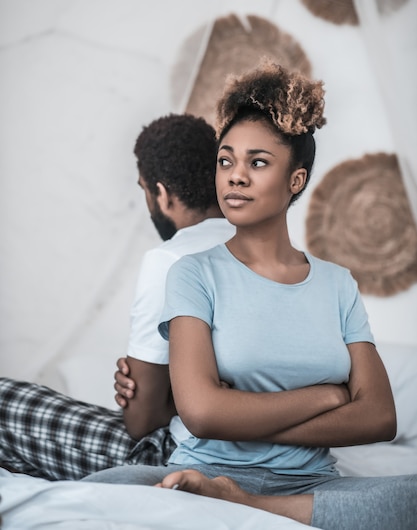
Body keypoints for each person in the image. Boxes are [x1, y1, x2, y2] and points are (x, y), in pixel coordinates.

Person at [84, 60, 417, 530]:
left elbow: (381, 417)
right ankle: (233, 498)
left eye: (257, 162)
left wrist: (238, 413)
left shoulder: (337, 283)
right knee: (102, 489)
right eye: (226, 160)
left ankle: (250, 507)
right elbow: (201, 413)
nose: (235, 176)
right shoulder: (192, 274)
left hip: (310, 485)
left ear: (295, 180)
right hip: (200, 472)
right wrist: (325, 397)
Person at [0, 113, 234, 480]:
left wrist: (152, 392)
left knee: (5, 402)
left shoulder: (171, 261)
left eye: (144, 190)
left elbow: (141, 421)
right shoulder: (264, 248)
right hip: (263, 452)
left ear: (161, 193)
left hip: (182, 457)